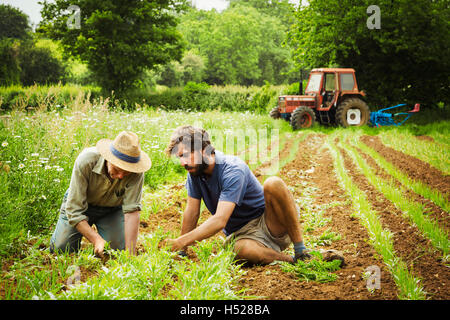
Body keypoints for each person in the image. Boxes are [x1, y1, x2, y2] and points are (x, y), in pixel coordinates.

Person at [161, 125, 310, 264]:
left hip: (271, 223)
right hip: (243, 234)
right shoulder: (194, 173)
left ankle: (301, 250)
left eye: (186, 155)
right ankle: (290, 260)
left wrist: (181, 241)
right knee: (240, 250)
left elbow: (220, 220)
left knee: (273, 183)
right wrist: (181, 251)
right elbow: (192, 212)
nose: (183, 163)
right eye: (179, 157)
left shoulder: (232, 169)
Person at [50, 131, 151, 257]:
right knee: (62, 250)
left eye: (126, 173)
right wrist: (96, 239)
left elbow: (132, 212)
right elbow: (74, 210)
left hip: (111, 210)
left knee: (116, 251)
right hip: (81, 205)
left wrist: (130, 253)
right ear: (109, 158)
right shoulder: (86, 161)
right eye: (117, 170)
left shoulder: (136, 172)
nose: (120, 176)